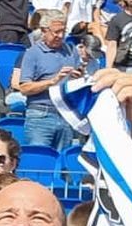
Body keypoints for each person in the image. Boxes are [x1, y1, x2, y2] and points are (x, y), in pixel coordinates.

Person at [13, 16, 84, 149]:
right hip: (40, 115)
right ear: (44, 31)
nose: (60, 36)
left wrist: (78, 77)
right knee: (40, 162)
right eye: (56, 32)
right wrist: (53, 81)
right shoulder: (32, 53)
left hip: (66, 114)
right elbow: (24, 88)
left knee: (63, 165)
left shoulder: (71, 50)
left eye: (63, 31)